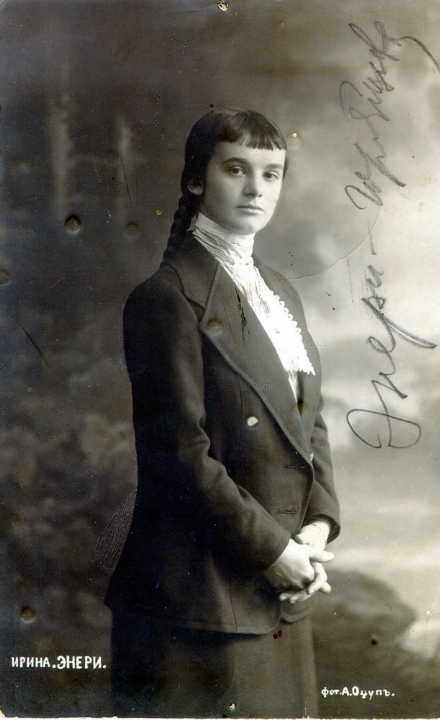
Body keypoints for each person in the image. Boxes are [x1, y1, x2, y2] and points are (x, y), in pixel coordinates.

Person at [105, 108, 340, 718]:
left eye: (271, 173)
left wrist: (316, 528)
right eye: (236, 170)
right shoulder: (164, 299)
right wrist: (274, 553)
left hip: (282, 590)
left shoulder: (279, 293)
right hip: (198, 600)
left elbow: (307, 424)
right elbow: (178, 456)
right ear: (195, 179)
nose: (256, 188)